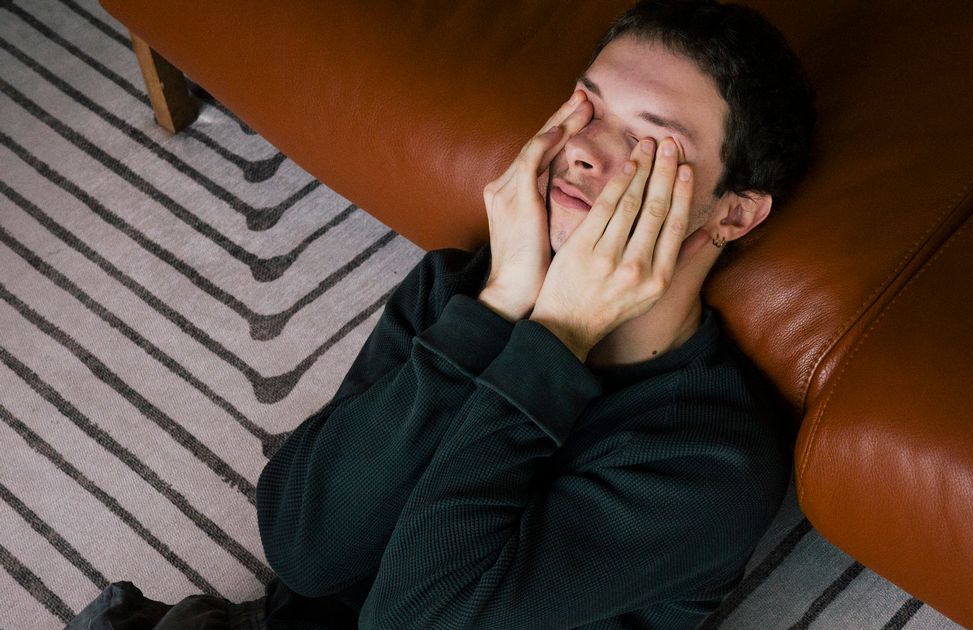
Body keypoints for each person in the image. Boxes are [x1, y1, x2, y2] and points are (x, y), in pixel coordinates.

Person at [67, 0, 816, 628]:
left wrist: (556, 342)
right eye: (587, 107)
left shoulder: (712, 460)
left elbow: (411, 619)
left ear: (734, 213)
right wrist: (497, 309)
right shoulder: (468, 291)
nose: (584, 150)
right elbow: (300, 545)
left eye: (650, 143)